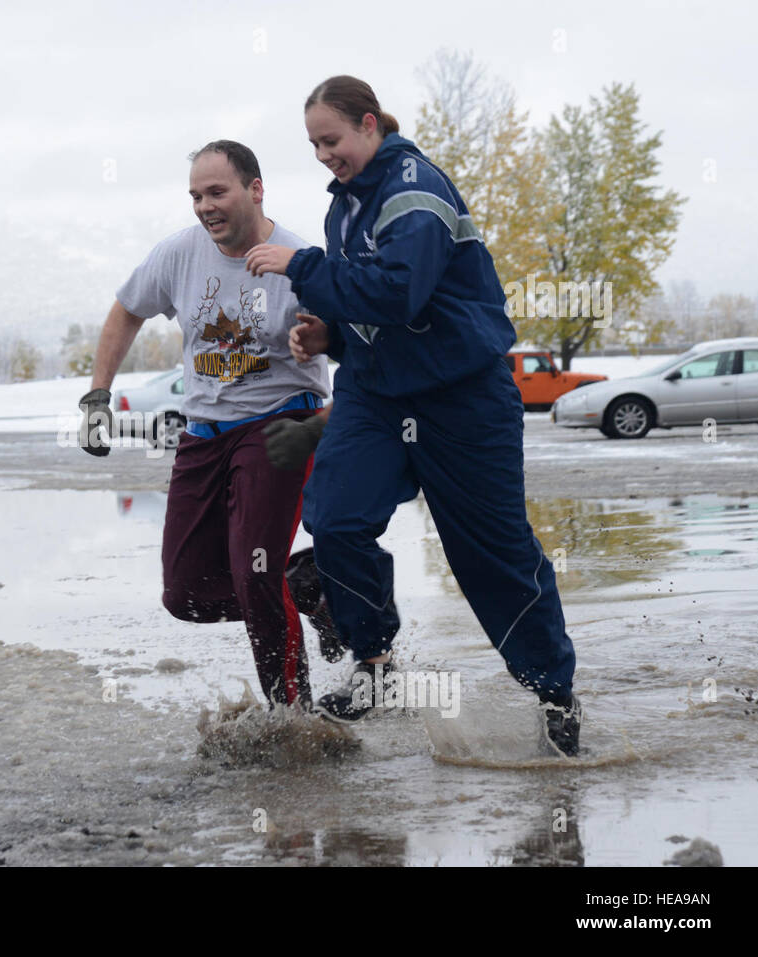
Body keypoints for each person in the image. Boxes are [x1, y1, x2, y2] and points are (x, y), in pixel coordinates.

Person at [245, 76, 581, 754]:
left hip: (463, 397)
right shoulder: (346, 206)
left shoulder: (412, 188)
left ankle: (554, 693)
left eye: (331, 140)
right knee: (336, 516)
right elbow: (369, 310)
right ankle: (375, 666)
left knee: (493, 555)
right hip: (377, 393)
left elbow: (401, 292)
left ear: (369, 125)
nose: (322, 155)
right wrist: (330, 336)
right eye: (313, 144)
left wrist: (301, 265)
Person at [79, 139, 341, 709]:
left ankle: (291, 715)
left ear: (255, 189)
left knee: (254, 574)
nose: (204, 206)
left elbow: (356, 344)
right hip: (202, 434)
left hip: (278, 426)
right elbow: (127, 310)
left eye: (217, 192)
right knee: (186, 594)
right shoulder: (178, 254)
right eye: (196, 195)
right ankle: (305, 588)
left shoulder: (299, 258)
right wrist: (98, 396)